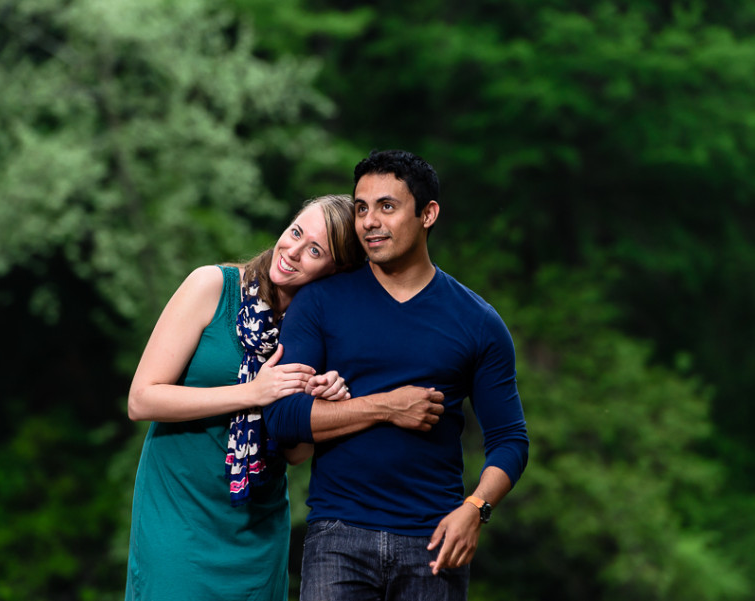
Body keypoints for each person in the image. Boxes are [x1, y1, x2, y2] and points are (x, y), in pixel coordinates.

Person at [262, 150, 529, 600]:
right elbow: (283, 418)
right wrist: (387, 406)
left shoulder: (478, 321)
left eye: (387, 206)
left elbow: (510, 440)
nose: (368, 221)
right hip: (337, 535)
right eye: (362, 208)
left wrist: (475, 508)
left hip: (433, 541)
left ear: (428, 214)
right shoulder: (320, 302)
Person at [124, 194, 372, 601]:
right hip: (178, 517)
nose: (291, 251)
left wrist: (324, 404)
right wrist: (251, 393)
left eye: (314, 250)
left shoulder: (319, 333)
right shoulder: (212, 286)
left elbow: (294, 454)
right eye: (295, 232)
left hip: (257, 529)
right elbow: (142, 400)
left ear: (336, 271)